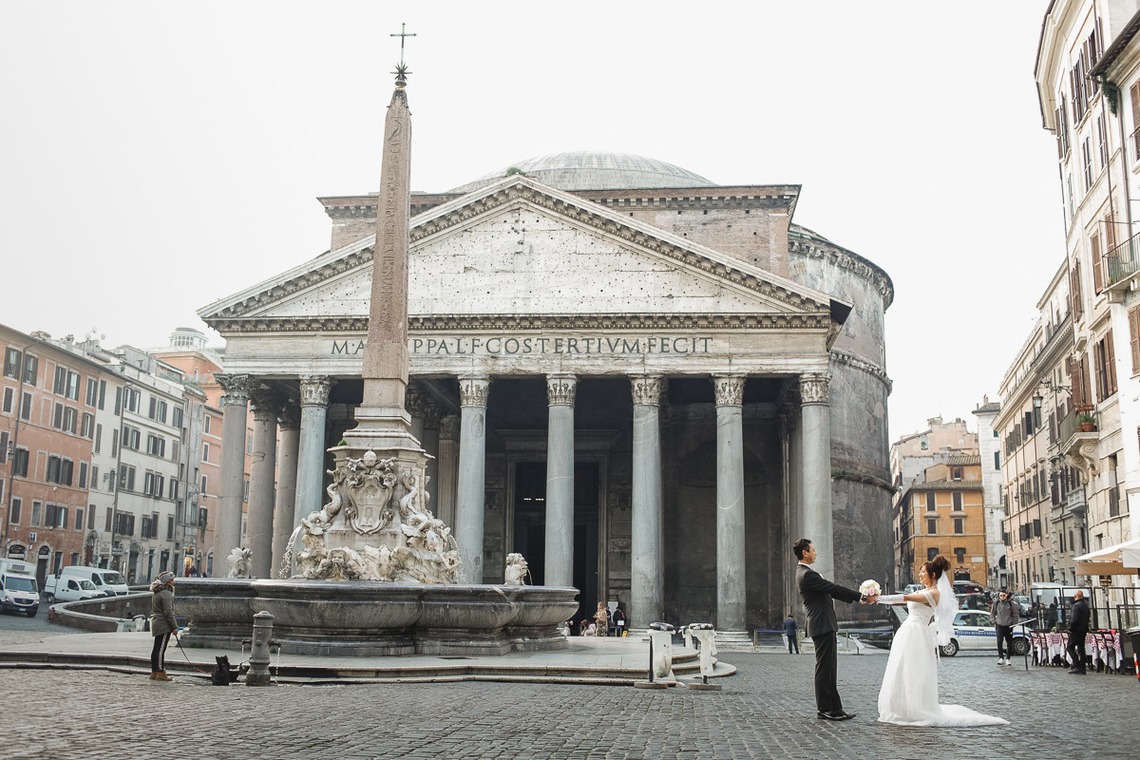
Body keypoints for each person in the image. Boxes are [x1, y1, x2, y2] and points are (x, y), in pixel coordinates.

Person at [872, 556, 1008, 726]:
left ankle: (913, 707)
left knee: (912, 670)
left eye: (923, 572)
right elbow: (904, 599)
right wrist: (878, 599)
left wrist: (877, 598)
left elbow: (904, 599)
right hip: (909, 631)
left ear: (933, 574)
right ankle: (901, 706)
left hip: (916, 633)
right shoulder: (924, 590)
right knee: (902, 668)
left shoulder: (933, 593)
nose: (920, 575)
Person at [793, 538, 869, 721]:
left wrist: (860, 597)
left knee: (829, 668)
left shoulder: (806, 573)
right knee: (824, 669)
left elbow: (831, 591)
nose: (815, 552)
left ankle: (835, 708)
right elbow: (833, 588)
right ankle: (824, 709)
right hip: (821, 624)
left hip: (823, 624)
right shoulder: (807, 575)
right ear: (805, 552)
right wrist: (860, 596)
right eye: (813, 549)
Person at [148, 570, 179, 681]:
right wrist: (174, 627)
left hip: (157, 622)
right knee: (161, 649)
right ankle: (160, 672)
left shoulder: (157, 592)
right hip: (163, 624)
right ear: (167, 582)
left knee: (156, 648)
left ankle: (154, 671)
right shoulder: (166, 593)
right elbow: (168, 612)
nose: (173, 581)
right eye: (171, 580)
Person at [990, 588, 1018, 666]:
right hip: (999, 625)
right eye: (1001, 595)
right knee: (999, 641)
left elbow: (1015, 614)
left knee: (1009, 642)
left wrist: (1013, 623)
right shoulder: (996, 603)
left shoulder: (1011, 604)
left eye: (1004, 595)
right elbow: (992, 613)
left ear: (1006, 596)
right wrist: (994, 621)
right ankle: (1001, 658)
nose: (1002, 597)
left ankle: (1008, 658)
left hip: (1009, 626)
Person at [1067, 590, 1090, 674]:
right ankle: (1082, 668)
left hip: (1076, 630)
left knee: (1070, 647)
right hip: (1083, 630)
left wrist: (1070, 628)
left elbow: (1074, 619)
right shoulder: (1085, 606)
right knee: (1081, 649)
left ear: (1076, 596)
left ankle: (1077, 665)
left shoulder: (1076, 606)